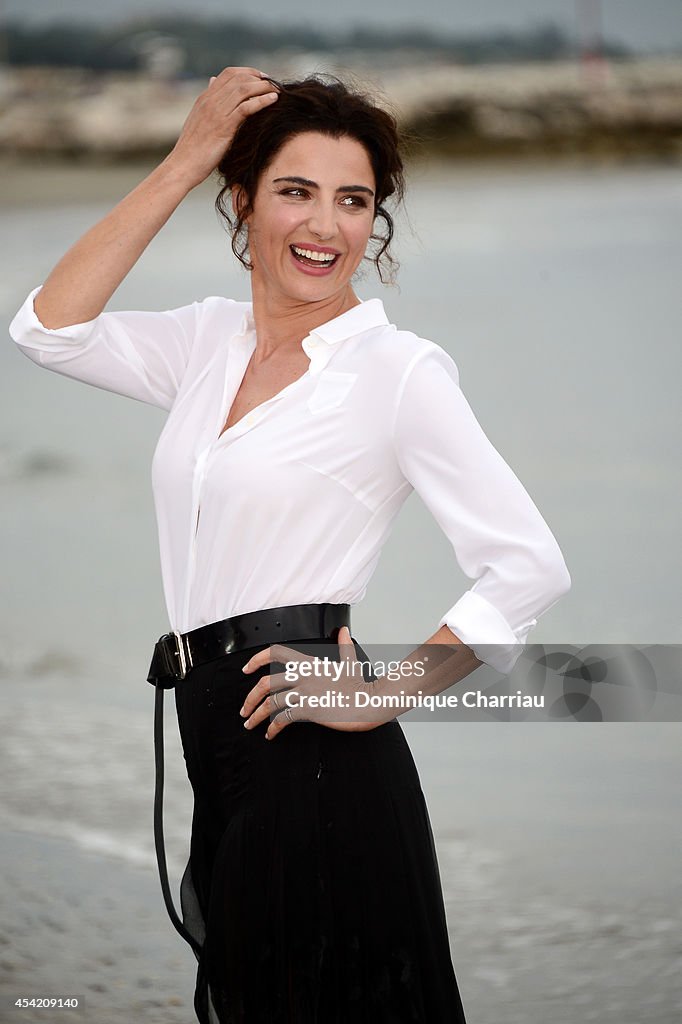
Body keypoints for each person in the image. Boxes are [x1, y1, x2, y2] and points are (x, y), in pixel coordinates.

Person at [9, 68, 571, 1023]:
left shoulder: (396, 372)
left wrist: (382, 695)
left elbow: (528, 563)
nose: (326, 225)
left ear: (374, 222)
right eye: (295, 191)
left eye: (354, 200)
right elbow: (46, 330)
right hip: (213, 730)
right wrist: (186, 156)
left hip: (308, 738)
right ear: (243, 202)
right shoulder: (205, 345)